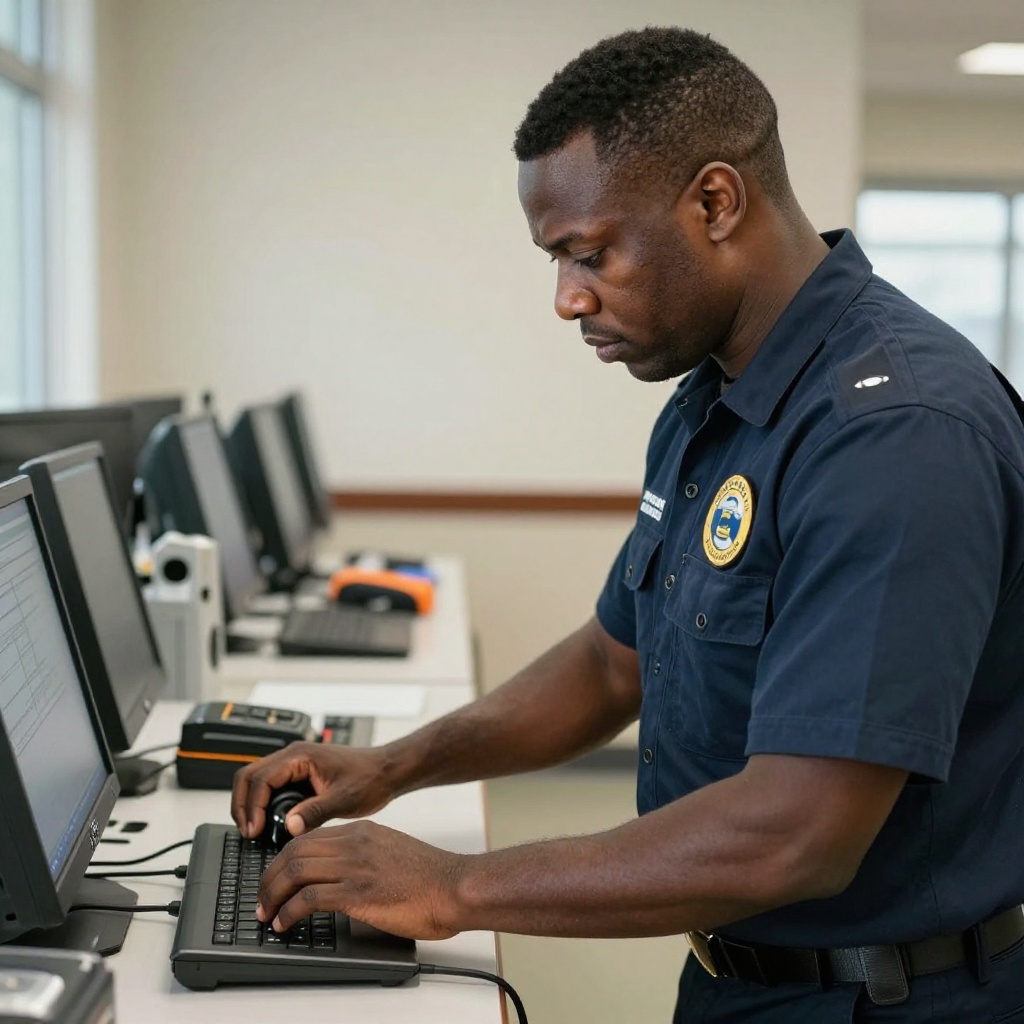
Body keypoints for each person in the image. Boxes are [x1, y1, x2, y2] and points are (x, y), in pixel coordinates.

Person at [232, 27, 1024, 1022]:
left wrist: (456, 883)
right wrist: (392, 765)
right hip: (736, 975)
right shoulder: (711, 403)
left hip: (890, 998)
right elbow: (617, 662)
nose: (567, 298)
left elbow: (796, 833)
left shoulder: (895, 430)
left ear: (713, 201)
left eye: (588, 252)